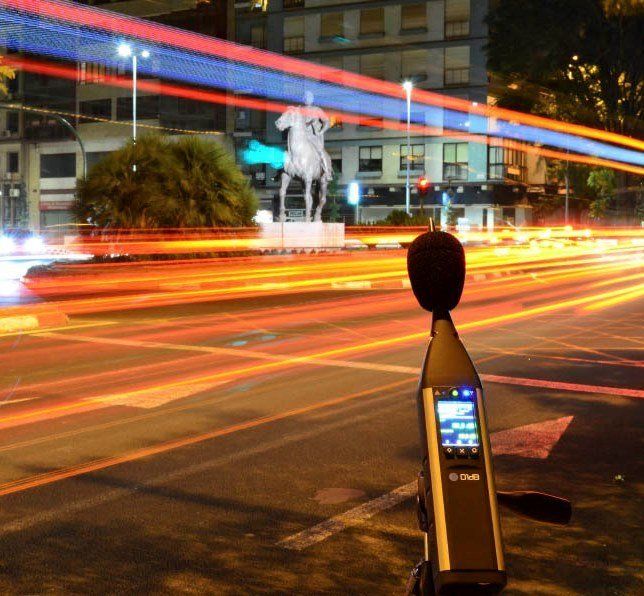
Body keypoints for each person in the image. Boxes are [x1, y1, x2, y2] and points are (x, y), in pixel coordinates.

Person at [301, 91, 331, 177]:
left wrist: (321, 131)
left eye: (310, 97)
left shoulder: (317, 110)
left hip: (313, 136)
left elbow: (327, 122)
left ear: (312, 99)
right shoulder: (299, 110)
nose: (308, 99)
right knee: (289, 151)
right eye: (306, 97)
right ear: (303, 99)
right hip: (301, 135)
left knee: (320, 151)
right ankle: (283, 171)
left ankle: (327, 171)